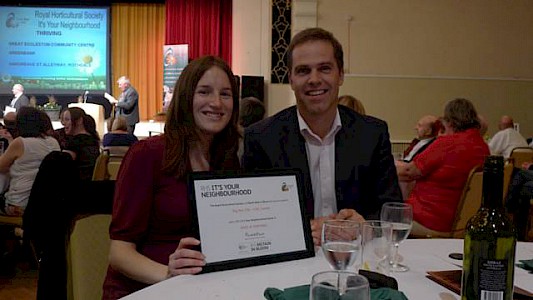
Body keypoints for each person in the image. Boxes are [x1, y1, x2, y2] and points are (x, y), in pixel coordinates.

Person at [242, 27, 402, 246]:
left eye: (325, 68)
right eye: (303, 71)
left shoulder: (372, 134)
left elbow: (391, 209)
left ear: (341, 75)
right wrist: (301, 230)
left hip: (357, 257)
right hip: (291, 259)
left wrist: (364, 226)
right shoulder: (261, 138)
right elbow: (252, 219)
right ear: (291, 79)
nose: (314, 79)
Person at [102, 56, 241, 298]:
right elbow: (119, 253)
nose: (216, 103)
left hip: (204, 289)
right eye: (204, 92)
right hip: (145, 289)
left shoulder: (228, 161)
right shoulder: (147, 155)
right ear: (186, 98)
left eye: (226, 94)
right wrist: (169, 274)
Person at [396, 98, 490, 235]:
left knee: (378, 212)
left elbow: (408, 172)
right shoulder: (483, 147)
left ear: (449, 121)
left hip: (430, 220)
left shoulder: (448, 144)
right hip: (463, 223)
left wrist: (381, 170)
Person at [0, 107, 60, 216]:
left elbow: (1, 167)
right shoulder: (53, 142)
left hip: (19, 204)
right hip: (47, 203)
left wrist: (9, 141)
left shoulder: (20, 143)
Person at [62, 107, 100, 181]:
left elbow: (62, 165)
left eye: (67, 119)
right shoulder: (93, 139)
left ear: (79, 121)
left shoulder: (75, 142)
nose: (63, 123)